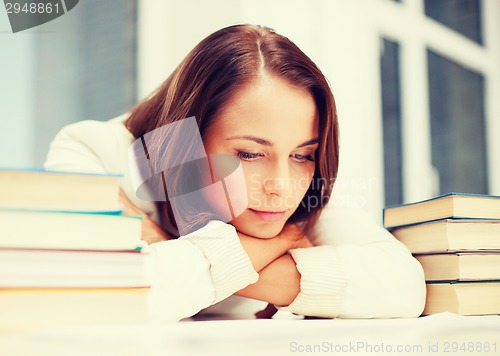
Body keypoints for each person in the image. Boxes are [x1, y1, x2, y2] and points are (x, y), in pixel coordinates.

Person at [44, 24, 426, 321]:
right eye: (249, 153)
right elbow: (104, 292)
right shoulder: (92, 151)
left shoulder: (299, 198)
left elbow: (403, 286)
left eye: (302, 155)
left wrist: (166, 253)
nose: (280, 188)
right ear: (186, 138)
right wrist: (279, 249)